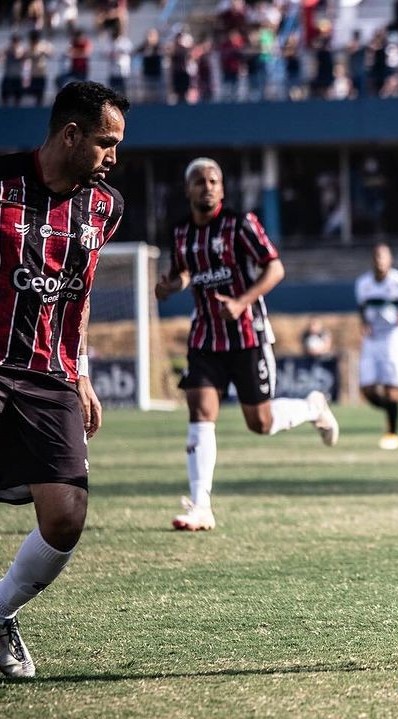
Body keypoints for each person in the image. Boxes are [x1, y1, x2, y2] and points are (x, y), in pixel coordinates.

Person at [0, 81, 129, 678]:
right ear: (71, 134)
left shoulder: (105, 206)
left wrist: (82, 375)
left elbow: (81, 290)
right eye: (106, 142)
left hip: (51, 372)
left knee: (67, 514)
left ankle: (0, 613)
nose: (113, 155)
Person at [155, 158, 339, 532]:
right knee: (201, 412)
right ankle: (201, 505)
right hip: (205, 337)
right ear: (187, 189)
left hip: (247, 336)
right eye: (199, 181)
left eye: (213, 180)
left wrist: (240, 302)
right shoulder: (179, 233)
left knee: (261, 422)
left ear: (222, 188)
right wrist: (170, 286)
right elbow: (182, 273)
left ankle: (311, 406)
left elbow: (275, 267)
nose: (207, 186)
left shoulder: (241, 225)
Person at [355, 242, 398, 450]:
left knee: (392, 388)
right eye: (376, 257)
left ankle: (392, 433)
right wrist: (364, 324)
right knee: (366, 388)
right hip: (372, 339)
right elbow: (362, 309)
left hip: (393, 338)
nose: (379, 261)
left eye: (383, 257)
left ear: (390, 259)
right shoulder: (363, 283)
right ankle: (390, 410)